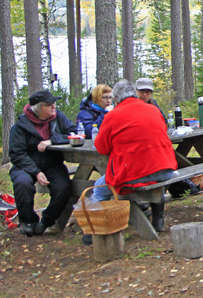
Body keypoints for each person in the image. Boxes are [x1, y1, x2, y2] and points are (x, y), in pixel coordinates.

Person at [85, 80, 177, 244]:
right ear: (134, 94)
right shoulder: (153, 109)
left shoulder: (112, 116)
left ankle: (92, 230)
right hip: (166, 169)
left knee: (100, 188)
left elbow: (101, 147)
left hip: (135, 174)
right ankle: (158, 220)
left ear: (116, 99)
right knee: (150, 172)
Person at [10, 90, 77, 236]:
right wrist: (36, 171)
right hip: (26, 165)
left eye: (54, 104)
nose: (54, 107)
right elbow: (17, 154)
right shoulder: (20, 126)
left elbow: (75, 133)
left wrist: (52, 141)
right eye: (49, 105)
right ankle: (28, 221)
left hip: (53, 163)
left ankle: (47, 221)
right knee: (22, 183)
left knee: (63, 187)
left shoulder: (59, 117)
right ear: (38, 108)